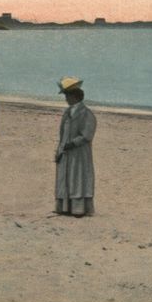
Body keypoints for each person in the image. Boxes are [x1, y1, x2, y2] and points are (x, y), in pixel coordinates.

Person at [54, 78, 97, 217]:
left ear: (76, 97)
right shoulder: (67, 113)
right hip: (65, 152)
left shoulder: (86, 113)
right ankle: (64, 208)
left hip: (79, 153)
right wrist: (59, 149)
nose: (66, 99)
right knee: (64, 179)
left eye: (68, 96)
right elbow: (62, 134)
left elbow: (87, 135)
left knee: (77, 179)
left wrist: (73, 143)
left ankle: (79, 209)